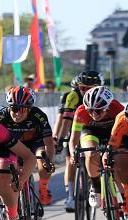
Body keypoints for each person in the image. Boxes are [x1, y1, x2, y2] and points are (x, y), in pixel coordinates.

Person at [53, 70, 103, 212]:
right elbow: (64, 120)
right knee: (70, 160)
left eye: (89, 88)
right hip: (76, 128)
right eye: (82, 88)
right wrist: (60, 138)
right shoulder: (72, 96)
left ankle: (99, 184)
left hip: (94, 130)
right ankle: (70, 196)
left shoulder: (102, 95)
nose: (85, 91)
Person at [68, 86, 124, 208]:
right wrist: (73, 154)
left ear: (107, 106)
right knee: (91, 153)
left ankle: (127, 199)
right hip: (90, 132)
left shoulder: (117, 108)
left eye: (98, 110)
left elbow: (124, 133)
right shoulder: (81, 112)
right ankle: (96, 187)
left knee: (116, 163)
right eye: (90, 110)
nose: (93, 114)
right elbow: (73, 139)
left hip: (112, 132)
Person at [0, 86, 56, 205]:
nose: (18, 114)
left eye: (23, 110)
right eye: (14, 109)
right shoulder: (2, 115)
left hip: (35, 143)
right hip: (14, 144)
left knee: (43, 158)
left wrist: (49, 160)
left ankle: (43, 189)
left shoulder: (38, 115)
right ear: (9, 107)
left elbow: (48, 140)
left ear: (30, 109)